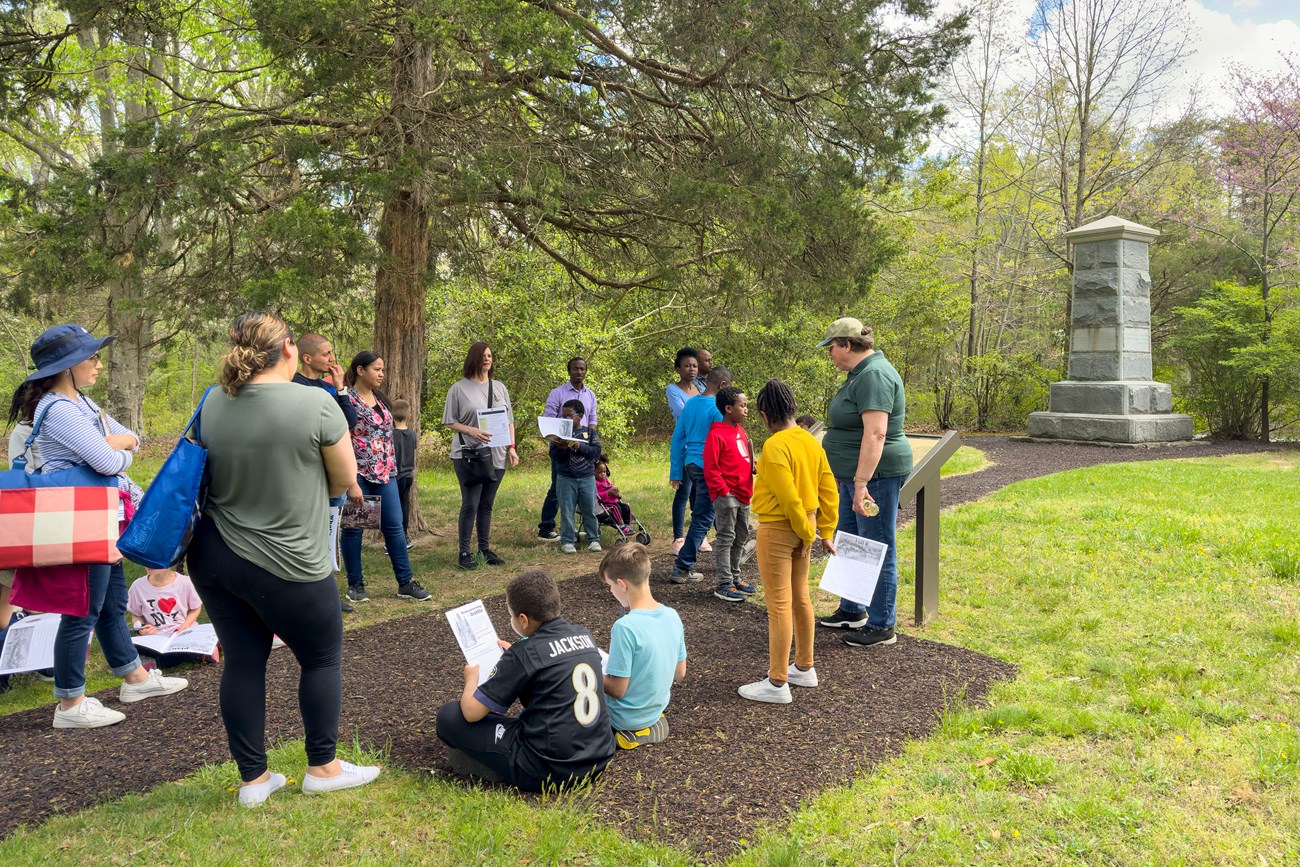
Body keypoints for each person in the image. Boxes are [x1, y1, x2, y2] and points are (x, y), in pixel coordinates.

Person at [191, 311, 380, 806]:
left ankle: (253, 781)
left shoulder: (212, 401)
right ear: (290, 350)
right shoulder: (316, 404)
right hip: (289, 559)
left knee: (243, 662)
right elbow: (343, 480)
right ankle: (324, 766)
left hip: (214, 555)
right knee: (320, 657)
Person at [7, 324, 189, 729]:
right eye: (91, 357)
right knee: (83, 608)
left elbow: (132, 438)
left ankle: (134, 678)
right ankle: (70, 704)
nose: (98, 364)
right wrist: (114, 450)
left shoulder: (83, 405)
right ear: (68, 365)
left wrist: (115, 446)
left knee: (111, 601)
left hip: (98, 515)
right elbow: (110, 460)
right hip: (80, 520)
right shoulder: (57, 409)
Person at [435, 570, 615, 791]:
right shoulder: (583, 634)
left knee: (449, 716)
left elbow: (471, 712)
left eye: (510, 615)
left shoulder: (524, 653)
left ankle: (492, 768)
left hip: (548, 768)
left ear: (523, 619)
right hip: (598, 759)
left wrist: (470, 680)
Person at [738, 379, 838, 704]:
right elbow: (828, 490)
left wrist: (808, 533)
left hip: (780, 530)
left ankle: (777, 682)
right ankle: (804, 667)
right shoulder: (812, 442)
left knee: (778, 605)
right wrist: (823, 531)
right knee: (800, 598)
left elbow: (788, 497)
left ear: (765, 416)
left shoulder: (775, 445)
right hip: (805, 528)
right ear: (793, 408)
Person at [815, 317, 913, 648]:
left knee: (877, 543)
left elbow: (876, 433)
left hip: (876, 478)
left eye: (831, 348)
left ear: (846, 344)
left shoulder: (874, 375)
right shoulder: (859, 374)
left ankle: (883, 623)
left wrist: (861, 483)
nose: (830, 355)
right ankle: (852, 609)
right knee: (852, 541)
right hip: (852, 477)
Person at [340, 352, 430, 603]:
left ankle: (405, 582)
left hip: (385, 472)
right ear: (360, 370)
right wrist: (350, 482)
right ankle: (355, 584)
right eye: (376, 369)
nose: (381, 374)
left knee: (394, 526)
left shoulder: (379, 399)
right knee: (355, 529)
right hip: (359, 473)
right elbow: (343, 437)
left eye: (383, 369)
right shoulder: (348, 399)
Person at [291, 333, 356, 613]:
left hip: (331, 474)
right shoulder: (292, 385)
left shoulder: (330, 387)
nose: (332, 359)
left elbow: (349, 421)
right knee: (305, 536)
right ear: (308, 358)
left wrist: (341, 388)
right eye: (326, 353)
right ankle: (303, 595)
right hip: (306, 473)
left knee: (328, 537)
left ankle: (327, 595)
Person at [598, 544, 686, 749]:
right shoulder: (672, 615)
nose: (611, 591)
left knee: (577, 674)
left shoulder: (625, 627)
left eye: (610, 585)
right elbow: (680, 673)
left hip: (622, 717)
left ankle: (625, 731)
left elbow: (617, 690)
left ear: (622, 584)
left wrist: (589, 669)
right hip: (654, 710)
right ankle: (648, 725)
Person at [443, 342, 518, 571]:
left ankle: (484, 549)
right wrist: (472, 430)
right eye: (483, 355)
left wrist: (511, 447)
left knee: (487, 504)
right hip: (470, 454)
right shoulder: (458, 388)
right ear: (474, 358)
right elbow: (449, 421)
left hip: (496, 454)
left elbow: (509, 420)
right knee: (471, 503)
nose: (487, 359)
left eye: (490, 355)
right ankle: (464, 552)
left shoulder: (499, 387)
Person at [668, 367, 732, 583]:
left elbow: (678, 438)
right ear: (723, 386)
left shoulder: (691, 403)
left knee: (704, 511)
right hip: (708, 466)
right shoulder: (717, 410)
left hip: (691, 464)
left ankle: (726, 557)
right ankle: (682, 567)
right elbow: (723, 443)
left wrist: (676, 471)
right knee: (704, 516)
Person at [703, 386, 756, 602]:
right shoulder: (716, 435)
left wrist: (753, 465)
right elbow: (711, 468)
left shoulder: (740, 431)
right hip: (727, 496)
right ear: (728, 408)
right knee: (726, 537)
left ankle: (735, 576)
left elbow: (742, 457)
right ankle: (724, 582)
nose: (746, 410)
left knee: (741, 536)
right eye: (742, 406)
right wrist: (723, 491)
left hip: (744, 494)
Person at [537, 357, 598, 542]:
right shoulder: (557, 393)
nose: (579, 372)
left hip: (583, 447)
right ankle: (546, 528)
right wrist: (559, 440)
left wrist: (592, 442)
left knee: (586, 488)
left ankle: (586, 530)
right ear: (569, 370)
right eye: (575, 369)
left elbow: (592, 420)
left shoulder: (590, 395)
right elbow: (548, 419)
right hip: (562, 446)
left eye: (582, 369)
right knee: (558, 486)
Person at [126, 567, 217, 666]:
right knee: (126, 645)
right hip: (154, 638)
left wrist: (186, 625)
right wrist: (141, 629)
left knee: (187, 646)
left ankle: (156, 663)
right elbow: (136, 615)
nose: (148, 563)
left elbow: (195, 609)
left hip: (182, 635)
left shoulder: (185, 583)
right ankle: (202, 652)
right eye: (145, 558)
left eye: (154, 559)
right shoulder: (138, 586)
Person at [552, 400, 602, 554]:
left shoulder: (590, 433)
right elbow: (554, 456)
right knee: (567, 511)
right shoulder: (558, 434)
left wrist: (578, 446)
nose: (566, 419)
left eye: (570, 415)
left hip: (587, 478)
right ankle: (567, 540)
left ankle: (593, 539)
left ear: (580, 416)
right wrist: (561, 447)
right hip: (565, 478)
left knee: (589, 509)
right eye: (564, 416)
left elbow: (596, 452)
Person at [665, 348, 699, 554]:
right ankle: (678, 537)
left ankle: (697, 535)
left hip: (701, 447)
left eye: (694, 366)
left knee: (699, 492)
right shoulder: (673, 389)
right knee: (683, 491)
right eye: (687, 365)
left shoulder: (701, 388)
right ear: (678, 368)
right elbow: (681, 411)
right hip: (685, 445)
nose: (691, 369)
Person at [391, 398, 418, 543]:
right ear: (409, 416)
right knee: (404, 505)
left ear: (391, 415)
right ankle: (405, 535)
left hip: (396, 476)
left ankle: (395, 537)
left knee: (394, 507)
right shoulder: (413, 434)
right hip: (408, 476)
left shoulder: (391, 435)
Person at [594, 457, 634, 532]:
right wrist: (607, 493)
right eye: (600, 472)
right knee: (615, 508)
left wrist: (616, 494)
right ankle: (621, 525)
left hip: (614, 501)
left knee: (625, 507)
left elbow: (612, 488)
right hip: (606, 504)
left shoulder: (607, 481)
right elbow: (597, 495)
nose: (602, 474)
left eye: (604, 472)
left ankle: (627, 524)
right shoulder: (595, 483)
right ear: (594, 473)